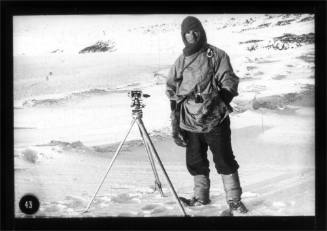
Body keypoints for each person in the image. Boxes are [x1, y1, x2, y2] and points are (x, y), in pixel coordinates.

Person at [166, 16, 248, 215]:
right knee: (195, 159)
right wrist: (175, 115)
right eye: (187, 32)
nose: (191, 35)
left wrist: (218, 102)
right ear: (182, 35)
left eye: (195, 31)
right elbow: (172, 88)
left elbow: (229, 80)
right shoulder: (181, 60)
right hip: (189, 118)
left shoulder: (216, 54)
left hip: (214, 117)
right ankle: (201, 196)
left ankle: (234, 200)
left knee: (224, 158)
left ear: (201, 32)